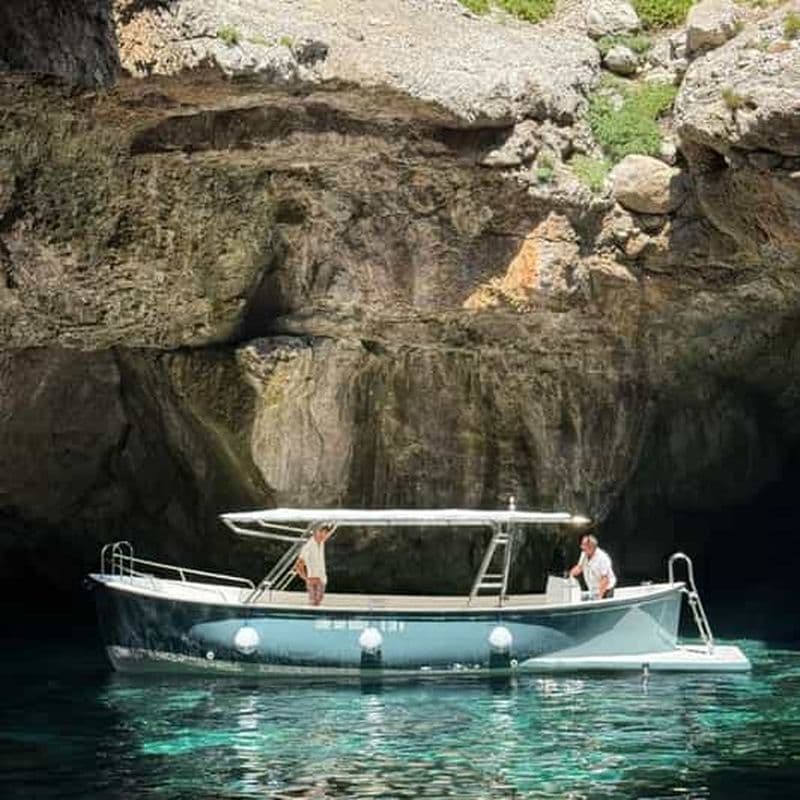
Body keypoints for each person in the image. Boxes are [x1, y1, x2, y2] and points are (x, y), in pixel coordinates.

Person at [295, 523, 335, 606]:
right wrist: (307, 579)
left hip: (322, 579)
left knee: (318, 602)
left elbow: (330, 530)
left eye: (325, 533)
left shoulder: (322, 542)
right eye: (321, 532)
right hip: (313, 579)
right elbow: (298, 566)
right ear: (315, 532)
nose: (323, 535)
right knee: (314, 603)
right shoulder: (308, 547)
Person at [569, 533, 616, 599]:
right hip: (593, 590)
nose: (581, 547)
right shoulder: (584, 554)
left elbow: (605, 579)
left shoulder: (602, 558)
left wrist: (600, 597)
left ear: (591, 546)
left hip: (605, 590)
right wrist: (571, 574)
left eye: (584, 545)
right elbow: (579, 567)